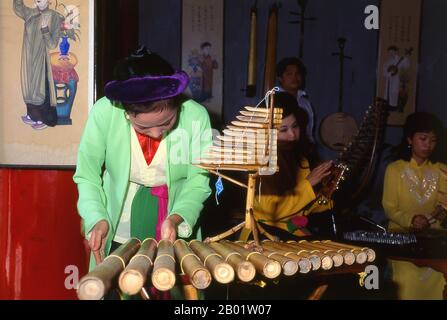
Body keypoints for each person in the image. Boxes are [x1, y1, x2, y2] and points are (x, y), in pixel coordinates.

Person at [73, 46, 212, 279]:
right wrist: (97, 217)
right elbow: (87, 176)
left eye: (167, 122)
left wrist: (177, 217)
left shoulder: (196, 116)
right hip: (119, 217)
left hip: (174, 212)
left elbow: (198, 180)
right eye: (144, 127)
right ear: (126, 112)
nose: (157, 134)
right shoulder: (104, 113)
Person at [240, 92, 333, 240]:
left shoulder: (301, 158)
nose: (292, 135)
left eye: (295, 126)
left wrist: (327, 193)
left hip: (292, 231)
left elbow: (305, 207)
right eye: (283, 130)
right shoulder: (259, 161)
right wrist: (309, 184)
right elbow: (272, 210)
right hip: (263, 235)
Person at [382, 112, 447, 300]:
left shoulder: (442, 170)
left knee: (440, 276)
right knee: (407, 280)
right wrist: (411, 219)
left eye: (433, 140)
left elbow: (443, 206)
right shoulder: (395, 169)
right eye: (423, 138)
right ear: (410, 139)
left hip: (433, 243)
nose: (428, 145)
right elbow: (390, 208)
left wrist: (439, 216)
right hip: (402, 244)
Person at [13, 0, 62, 130]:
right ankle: (32, 115)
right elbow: (18, 7)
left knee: (42, 88)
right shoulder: (31, 13)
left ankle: (44, 119)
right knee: (30, 88)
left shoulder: (54, 16)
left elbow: (52, 44)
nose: (37, 1)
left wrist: (45, 29)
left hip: (42, 60)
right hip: (29, 59)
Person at [276, 57, 315, 142]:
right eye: (289, 74)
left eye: (298, 73)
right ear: (280, 78)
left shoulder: (305, 103)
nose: (295, 77)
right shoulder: (274, 101)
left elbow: (309, 133)